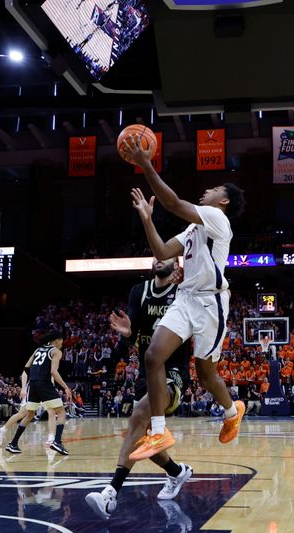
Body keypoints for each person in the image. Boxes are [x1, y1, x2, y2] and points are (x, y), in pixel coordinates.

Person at [123, 134, 247, 461]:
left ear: (223, 202)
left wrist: (146, 164)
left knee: (207, 376)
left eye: (215, 189)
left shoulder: (218, 219)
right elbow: (163, 253)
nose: (208, 190)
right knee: (152, 356)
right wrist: (148, 221)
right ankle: (160, 431)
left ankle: (232, 411)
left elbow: (174, 203)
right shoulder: (194, 229)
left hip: (211, 304)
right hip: (186, 298)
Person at [85, 258, 193, 520]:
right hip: (146, 375)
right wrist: (128, 333)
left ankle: (111, 493)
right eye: (156, 256)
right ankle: (177, 472)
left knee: (138, 416)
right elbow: (135, 333)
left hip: (173, 373)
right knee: (141, 438)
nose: (159, 260)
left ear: (177, 264)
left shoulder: (182, 292)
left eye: (165, 256)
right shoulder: (139, 291)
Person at [4, 331, 71, 456]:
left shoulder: (38, 350)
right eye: (62, 340)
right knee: (61, 412)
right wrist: (66, 387)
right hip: (44, 383)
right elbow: (54, 372)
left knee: (29, 414)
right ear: (56, 340)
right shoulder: (56, 351)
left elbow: (26, 368)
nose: (62, 343)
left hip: (33, 384)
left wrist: (29, 381)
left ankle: (13, 444)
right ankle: (57, 441)